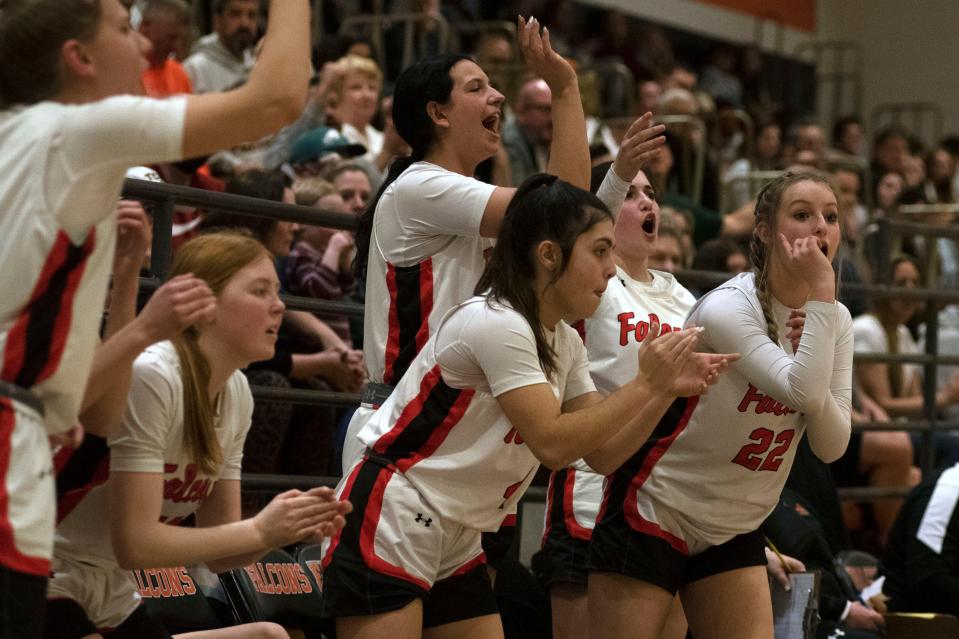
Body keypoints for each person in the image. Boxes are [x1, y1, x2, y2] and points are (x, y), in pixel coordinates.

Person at [0, 0, 311, 634]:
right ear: (78, 59)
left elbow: (91, 414)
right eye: (123, 29)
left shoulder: (27, 145)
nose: (144, 47)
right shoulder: (73, 129)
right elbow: (276, 99)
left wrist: (123, 297)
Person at [322, 175, 731, 638]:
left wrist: (663, 392)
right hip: (394, 510)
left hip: (456, 531)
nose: (611, 270)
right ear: (549, 255)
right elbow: (554, 445)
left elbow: (604, 454)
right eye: (599, 251)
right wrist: (645, 383)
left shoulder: (562, 341)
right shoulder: (498, 322)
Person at [342, 16, 666, 474]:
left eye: (492, 86)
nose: (497, 96)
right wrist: (565, 89)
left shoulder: (478, 203)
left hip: (471, 424)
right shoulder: (420, 186)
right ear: (439, 114)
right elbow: (562, 209)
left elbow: (564, 215)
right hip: (403, 423)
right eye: (476, 88)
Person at [587, 171, 855, 639]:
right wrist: (824, 300)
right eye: (802, 215)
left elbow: (831, 445)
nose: (819, 228)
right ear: (766, 231)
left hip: (734, 523)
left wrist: (823, 323)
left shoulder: (835, 319)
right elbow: (801, 393)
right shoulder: (729, 308)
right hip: (658, 504)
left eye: (830, 217)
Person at [47, 233, 351, 638]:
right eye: (260, 291)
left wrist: (279, 531)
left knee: (269, 636)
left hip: (111, 586)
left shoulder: (237, 392)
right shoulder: (155, 375)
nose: (279, 305)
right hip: (45, 566)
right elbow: (134, 544)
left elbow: (222, 556)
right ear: (204, 305)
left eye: (277, 291)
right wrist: (258, 530)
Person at [538, 164, 700, 639]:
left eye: (652, 193)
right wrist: (617, 172)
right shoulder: (591, 287)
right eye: (630, 194)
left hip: (665, 496)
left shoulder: (683, 296)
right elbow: (572, 221)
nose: (647, 202)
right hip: (593, 487)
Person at [183, 0, 257, 93]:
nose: (244, 23)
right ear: (217, 20)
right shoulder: (195, 69)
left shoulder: (258, 65)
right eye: (235, 14)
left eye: (251, 15)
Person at [139, 0, 193, 97]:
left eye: (182, 40)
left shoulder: (179, 73)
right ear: (145, 28)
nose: (177, 47)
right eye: (171, 37)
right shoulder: (125, 71)